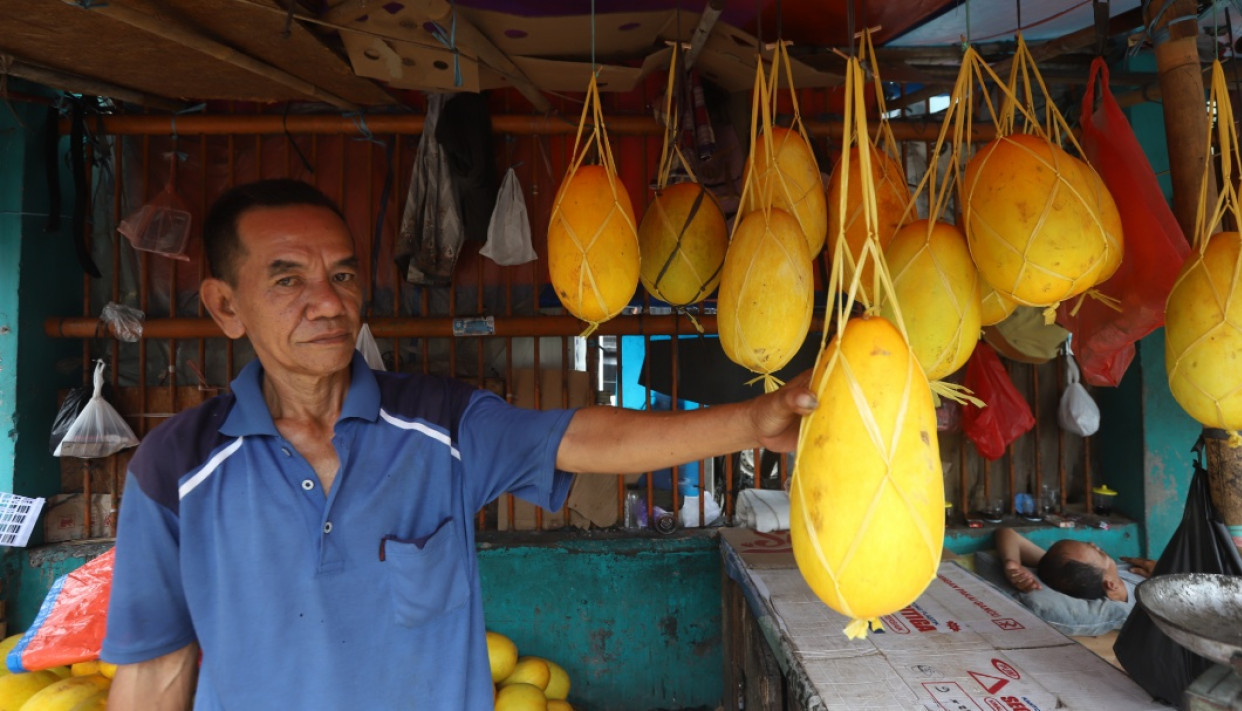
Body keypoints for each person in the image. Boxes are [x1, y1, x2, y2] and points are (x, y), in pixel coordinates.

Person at [100, 179, 818, 710]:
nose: (328, 301)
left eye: (342, 274)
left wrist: (752, 421)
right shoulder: (178, 467)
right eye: (288, 279)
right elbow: (156, 671)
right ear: (225, 305)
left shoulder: (439, 426)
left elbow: (579, 435)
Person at [994, 526, 1155, 601]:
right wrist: (1165, 574)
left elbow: (1007, 533)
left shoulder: (1078, 570)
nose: (1093, 544)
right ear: (1111, 585)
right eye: (1097, 552)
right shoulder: (1146, 599)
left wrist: (1012, 563)